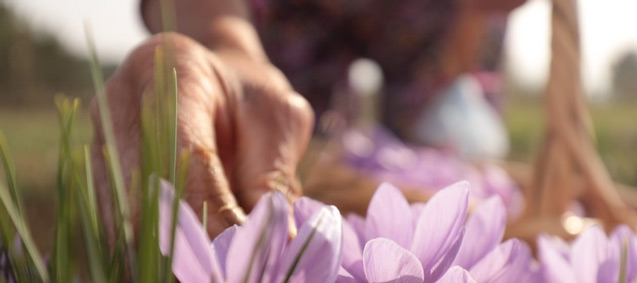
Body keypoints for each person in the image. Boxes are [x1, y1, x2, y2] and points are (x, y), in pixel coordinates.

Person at [91, 0, 525, 237]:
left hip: (429, 13)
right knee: (273, 149)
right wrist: (222, 43)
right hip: (286, 13)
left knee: (444, 153)